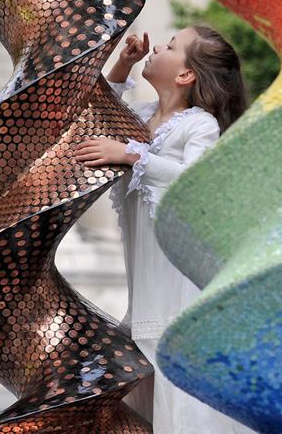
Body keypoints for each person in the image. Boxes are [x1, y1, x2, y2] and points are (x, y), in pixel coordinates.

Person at [73, 26, 254, 433]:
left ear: (186, 74)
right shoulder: (139, 117)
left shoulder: (199, 125)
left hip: (179, 298)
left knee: (182, 407)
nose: (157, 46)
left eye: (171, 46)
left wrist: (132, 155)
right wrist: (123, 64)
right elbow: (94, 112)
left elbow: (196, 181)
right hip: (145, 302)